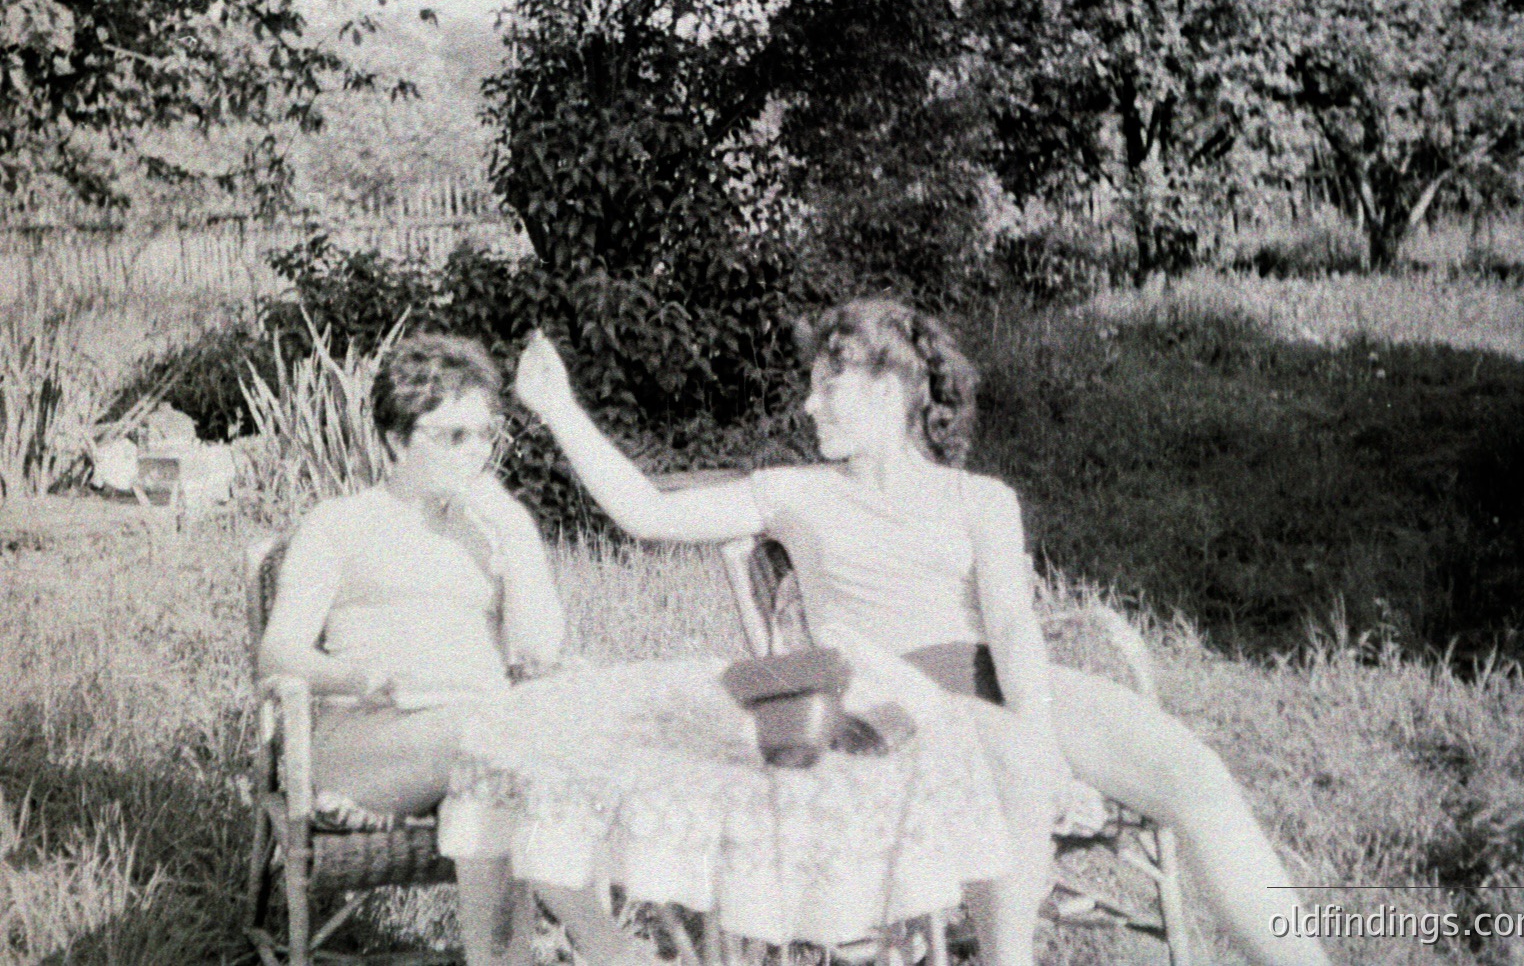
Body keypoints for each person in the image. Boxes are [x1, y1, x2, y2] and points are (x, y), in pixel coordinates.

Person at [507, 297, 1331, 966]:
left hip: (993, 682)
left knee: (1193, 771)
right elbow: (646, 514)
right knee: (1009, 758)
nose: (807, 403)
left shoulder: (981, 498)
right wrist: (559, 410)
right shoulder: (794, 491)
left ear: (892, 388)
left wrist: (1042, 734)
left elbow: (1011, 627)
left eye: (828, 385)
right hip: (885, 697)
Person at [257, 333, 651, 966]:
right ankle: (608, 947)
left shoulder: (494, 528)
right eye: (452, 437)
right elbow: (276, 657)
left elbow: (538, 653)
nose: (476, 455)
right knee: (495, 738)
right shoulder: (339, 524)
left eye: (484, 436)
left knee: (493, 771)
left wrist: (516, 541)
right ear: (394, 440)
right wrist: (357, 676)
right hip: (368, 745)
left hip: (480, 744)